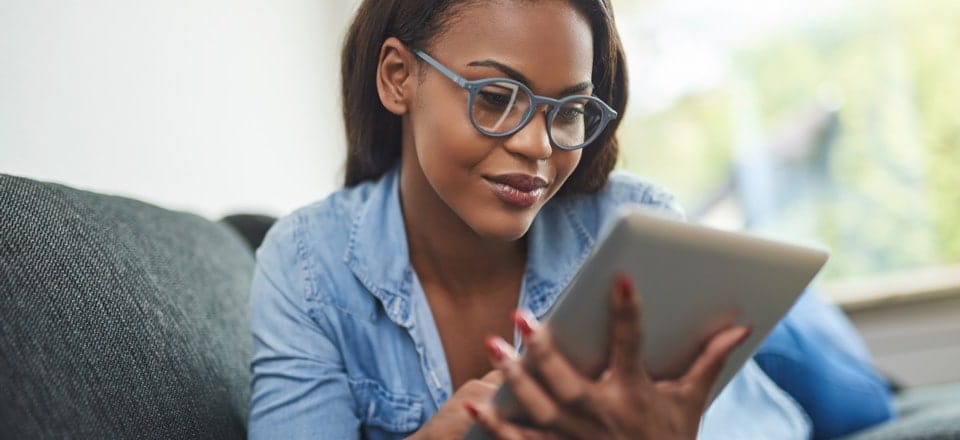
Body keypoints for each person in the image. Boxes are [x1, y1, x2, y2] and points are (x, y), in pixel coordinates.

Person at [248, 0, 813, 438]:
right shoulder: (307, 263)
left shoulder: (637, 228)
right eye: (497, 97)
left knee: (827, 371)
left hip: (781, 387)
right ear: (399, 77)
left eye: (569, 110)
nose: (538, 145)